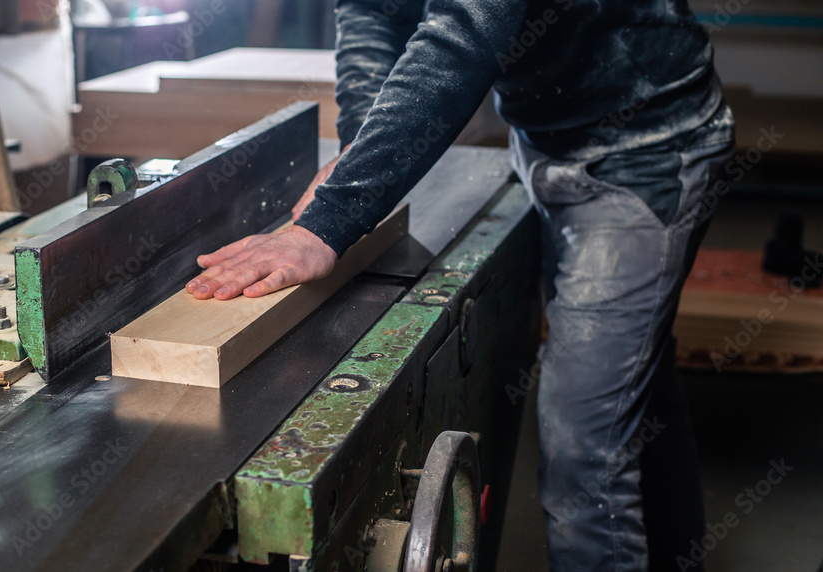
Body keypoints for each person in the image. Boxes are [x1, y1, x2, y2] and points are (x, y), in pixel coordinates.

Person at [185, 0, 735, 569]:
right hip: (551, 133)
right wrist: (358, 145)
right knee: (635, 389)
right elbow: (374, 11)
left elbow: (467, 33)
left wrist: (327, 223)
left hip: (645, 148)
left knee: (584, 458)